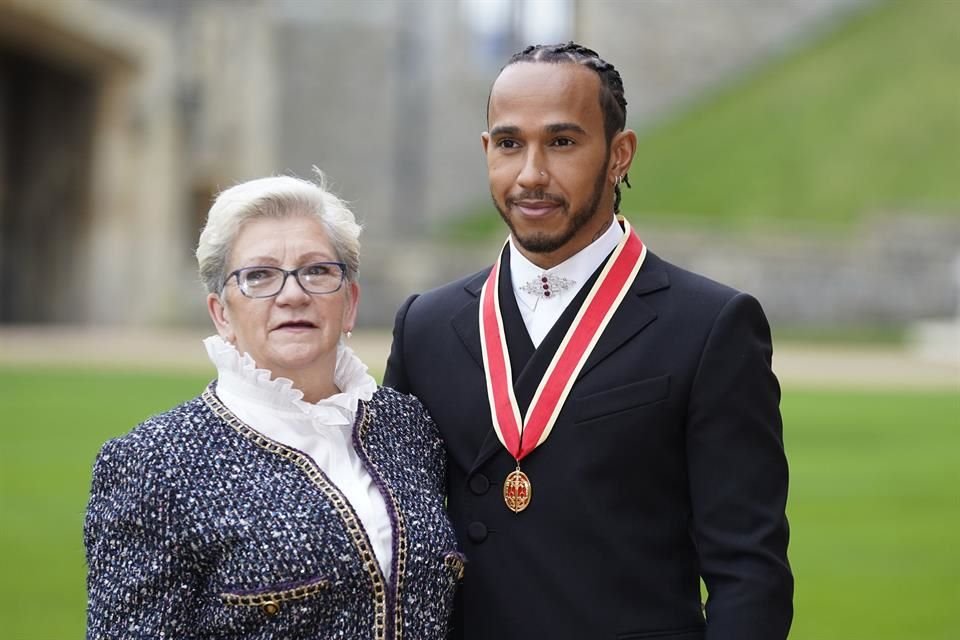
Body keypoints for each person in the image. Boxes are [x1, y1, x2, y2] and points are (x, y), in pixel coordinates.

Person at [384, 42, 793, 639]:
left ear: (619, 155)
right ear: (485, 151)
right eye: (509, 143)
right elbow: (390, 536)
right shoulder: (424, 325)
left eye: (562, 142)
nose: (531, 174)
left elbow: (749, 575)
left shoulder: (712, 325)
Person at [84, 174, 462, 639]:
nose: (292, 294)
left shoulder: (407, 425)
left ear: (350, 304)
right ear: (221, 313)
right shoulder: (154, 463)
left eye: (318, 271)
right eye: (259, 275)